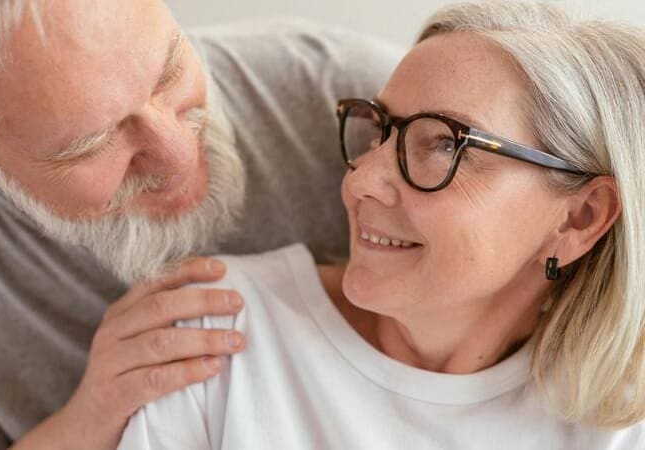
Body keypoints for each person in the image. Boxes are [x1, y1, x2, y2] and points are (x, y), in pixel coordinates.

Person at [0, 1, 401, 449]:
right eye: (93, 143)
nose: (180, 154)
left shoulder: (365, 110)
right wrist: (90, 422)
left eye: (170, 71)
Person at [118, 2, 645, 448]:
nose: (359, 181)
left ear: (580, 217)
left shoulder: (615, 425)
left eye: (444, 143)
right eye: (381, 130)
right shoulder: (219, 329)